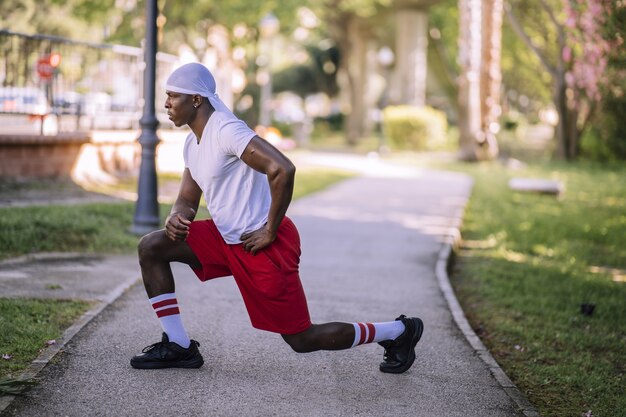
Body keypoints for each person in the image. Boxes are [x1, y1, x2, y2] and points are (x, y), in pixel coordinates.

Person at [130, 62, 424, 374]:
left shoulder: (227, 130)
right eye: (167, 96)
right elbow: (188, 199)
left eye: (173, 96)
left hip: (262, 243)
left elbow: (282, 169)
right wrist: (177, 216)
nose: (166, 104)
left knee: (301, 337)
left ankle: (398, 332)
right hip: (227, 238)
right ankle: (178, 346)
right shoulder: (193, 142)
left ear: (197, 100)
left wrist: (270, 230)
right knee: (153, 247)